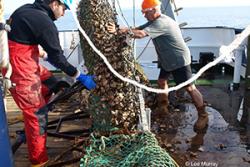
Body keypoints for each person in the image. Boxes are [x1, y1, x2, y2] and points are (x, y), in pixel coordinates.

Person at [3, 0, 96, 166]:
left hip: (19, 58)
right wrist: (79, 75)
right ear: (54, 3)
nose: (64, 13)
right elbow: (57, 58)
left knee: (52, 83)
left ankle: (34, 125)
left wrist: (42, 53)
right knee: (37, 114)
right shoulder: (45, 22)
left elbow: (20, 36)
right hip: (19, 67)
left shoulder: (26, 9)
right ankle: (39, 160)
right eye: (64, 8)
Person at [107, 0, 208, 131]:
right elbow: (138, 28)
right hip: (166, 59)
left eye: (145, 12)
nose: (144, 15)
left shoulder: (162, 23)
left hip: (178, 60)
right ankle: (163, 107)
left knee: (190, 88)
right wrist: (119, 28)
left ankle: (203, 115)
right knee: (161, 81)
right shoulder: (154, 21)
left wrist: (117, 32)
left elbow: (141, 34)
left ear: (154, 10)